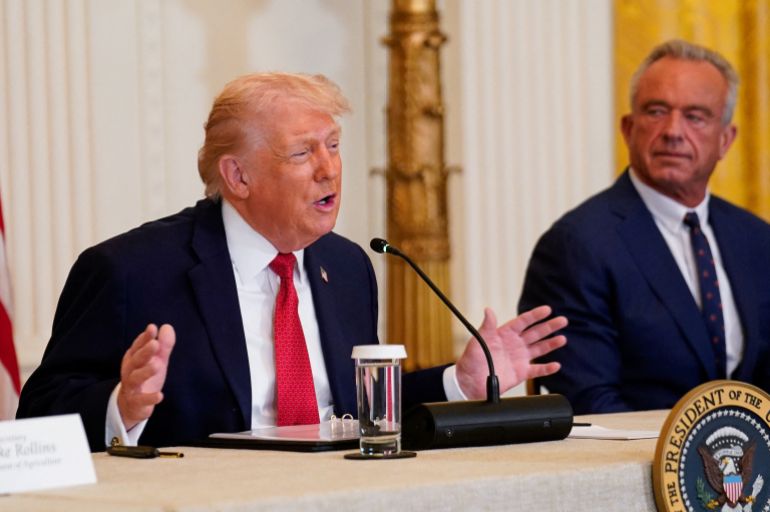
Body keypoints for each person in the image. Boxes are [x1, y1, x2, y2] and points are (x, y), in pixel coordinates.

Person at [17, 72, 567, 450]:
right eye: (304, 152)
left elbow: (352, 416)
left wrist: (459, 383)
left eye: (334, 145)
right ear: (238, 177)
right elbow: (38, 419)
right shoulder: (131, 271)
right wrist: (121, 406)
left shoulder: (348, 267)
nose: (329, 169)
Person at [518, 39, 770, 414]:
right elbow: (590, 405)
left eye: (695, 116)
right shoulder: (576, 246)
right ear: (628, 128)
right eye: (656, 111)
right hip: (638, 467)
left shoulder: (757, 239)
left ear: (725, 140)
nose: (672, 131)